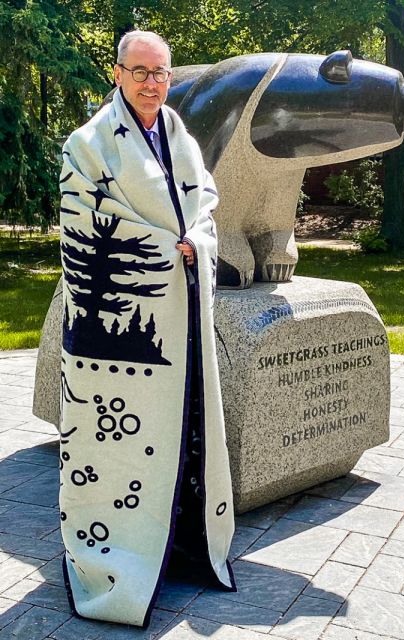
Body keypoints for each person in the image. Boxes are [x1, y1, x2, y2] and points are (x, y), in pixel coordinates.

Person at [58, 30, 236, 628]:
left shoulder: (179, 136)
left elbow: (205, 205)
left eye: (160, 72)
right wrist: (167, 251)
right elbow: (84, 222)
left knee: (183, 428)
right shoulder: (87, 145)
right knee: (119, 448)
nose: (151, 82)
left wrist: (198, 245)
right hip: (120, 334)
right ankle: (118, 561)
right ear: (117, 74)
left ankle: (179, 547)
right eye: (139, 71)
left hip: (180, 320)